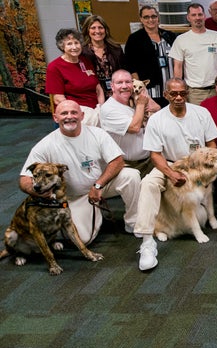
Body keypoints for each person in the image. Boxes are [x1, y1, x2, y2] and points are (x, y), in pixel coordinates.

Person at [21, 100, 141, 244]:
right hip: (74, 197)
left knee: (131, 176)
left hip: (101, 186)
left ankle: (133, 222)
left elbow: (118, 161)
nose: (69, 116)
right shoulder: (45, 145)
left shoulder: (97, 134)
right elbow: (24, 179)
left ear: (82, 116)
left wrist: (98, 185)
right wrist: (38, 192)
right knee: (83, 239)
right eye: (64, 113)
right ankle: (89, 212)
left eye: (74, 112)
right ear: (55, 118)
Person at [133, 78, 217, 271]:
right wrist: (171, 173)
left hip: (198, 164)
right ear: (166, 95)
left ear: (187, 93)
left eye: (182, 93)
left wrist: (208, 168)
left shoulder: (201, 113)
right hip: (170, 163)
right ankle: (147, 240)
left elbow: (212, 144)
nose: (179, 97)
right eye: (174, 94)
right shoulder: (157, 119)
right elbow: (155, 154)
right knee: (148, 183)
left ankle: (209, 217)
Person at [100, 70, 159, 177]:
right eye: (119, 83)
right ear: (112, 86)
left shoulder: (133, 100)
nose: (124, 86)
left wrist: (147, 100)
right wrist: (141, 104)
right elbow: (134, 127)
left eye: (128, 82)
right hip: (130, 167)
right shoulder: (109, 109)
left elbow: (158, 110)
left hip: (151, 159)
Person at [169, 3, 217, 105]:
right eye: (194, 15)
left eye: (200, 14)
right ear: (188, 18)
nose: (197, 18)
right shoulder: (181, 40)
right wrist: (179, 90)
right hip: (194, 92)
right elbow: (178, 66)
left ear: (205, 16)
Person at [46, 28, 104, 125]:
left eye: (76, 43)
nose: (74, 47)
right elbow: (58, 98)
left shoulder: (85, 61)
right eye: (69, 44)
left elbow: (98, 89)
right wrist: (78, 112)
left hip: (96, 109)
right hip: (75, 113)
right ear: (62, 46)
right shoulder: (54, 67)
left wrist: (101, 108)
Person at [125, 5, 177, 107]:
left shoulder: (170, 36)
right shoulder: (135, 39)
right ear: (141, 19)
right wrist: (140, 90)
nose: (150, 20)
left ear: (158, 17)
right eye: (146, 17)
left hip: (172, 89)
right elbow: (131, 66)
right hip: (151, 91)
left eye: (153, 16)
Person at [81, 15, 126, 97]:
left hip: (117, 94)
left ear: (105, 30)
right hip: (94, 95)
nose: (97, 31)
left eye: (100, 27)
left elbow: (124, 72)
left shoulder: (116, 49)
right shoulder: (82, 52)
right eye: (93, 28)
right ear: (87, 30)